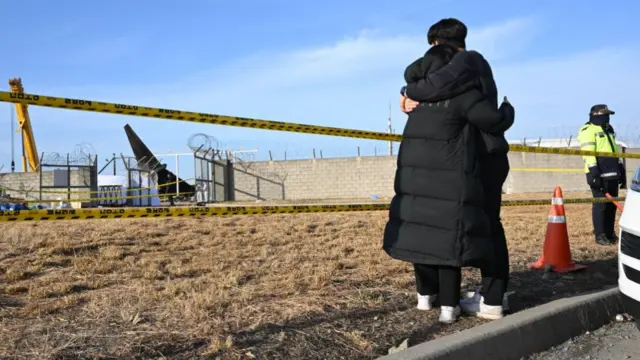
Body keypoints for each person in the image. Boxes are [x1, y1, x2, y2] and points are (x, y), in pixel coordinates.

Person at [383, 41, 515, 324]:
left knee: (430, 230)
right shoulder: (464, 84)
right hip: (478, 162)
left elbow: (420, 82)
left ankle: (435, 297)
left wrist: (406, 93)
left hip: (444, 171)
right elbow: (493, 119)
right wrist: (508, 109)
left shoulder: (431, 89)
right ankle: (491, 301)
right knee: (485, 230)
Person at [577, 104, 627, 245]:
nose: (607, 118)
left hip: (612, 172)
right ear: (596, 115)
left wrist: (620, 169)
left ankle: (610, 234)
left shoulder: (608, 130)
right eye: (605, 115)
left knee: (611, 206)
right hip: (598, 173)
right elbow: (588, 152)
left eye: (608, 115)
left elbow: (613, 151)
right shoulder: (588, 130)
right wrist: (593, 172)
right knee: (601, 205)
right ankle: (600, 235)